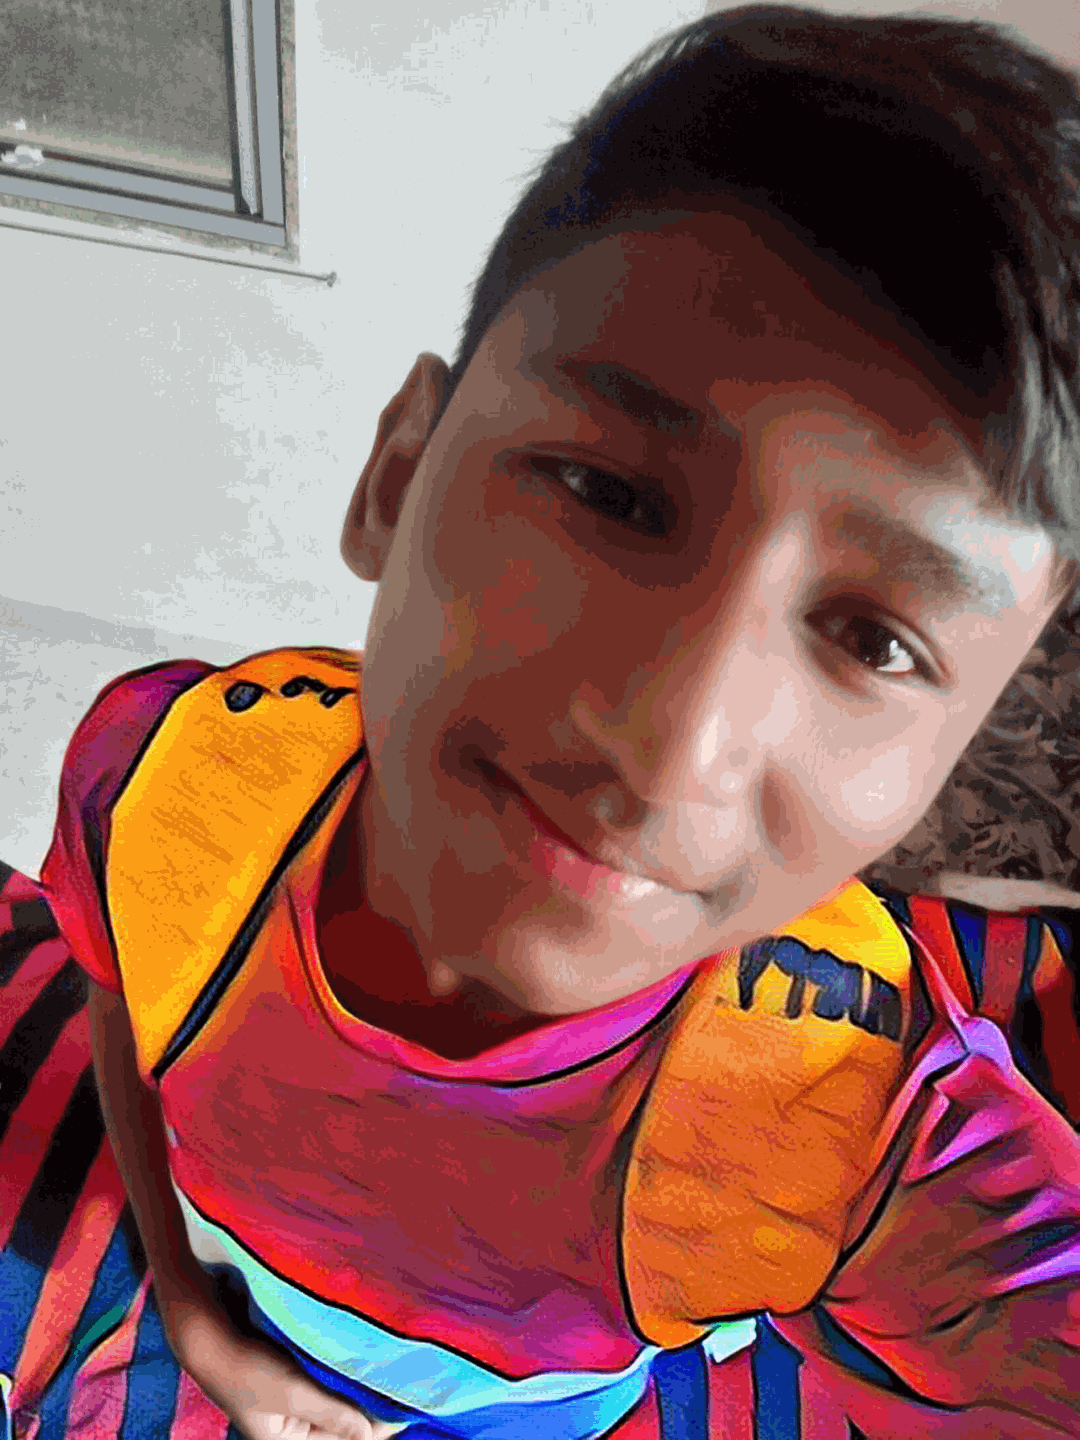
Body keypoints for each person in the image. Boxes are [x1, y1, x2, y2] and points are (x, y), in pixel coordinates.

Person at [2, 6, 1080, 1437]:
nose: (668, 747)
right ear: (397, 476)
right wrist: (196, 1317)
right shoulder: (174, 769)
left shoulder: (838, 1114)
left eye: (877, 641)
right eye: (607, 494)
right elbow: (116, 984)